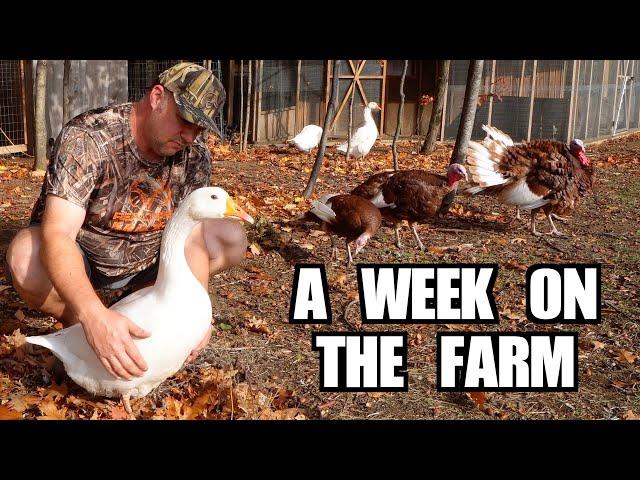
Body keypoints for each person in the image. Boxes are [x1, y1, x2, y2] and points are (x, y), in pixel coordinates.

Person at [4, 62, 248, 381]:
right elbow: (58, 233)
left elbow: (193, 236)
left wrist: (198, 315)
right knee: (25, 257)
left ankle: (139, 307)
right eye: (184, 120)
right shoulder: (89, 137)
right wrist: (93, 317)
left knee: (231, 235)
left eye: (199, 128)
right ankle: (82, 325)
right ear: (157, 97)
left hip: (147, 267)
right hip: (85, 266)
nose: (190, 135)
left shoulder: (194, 155)